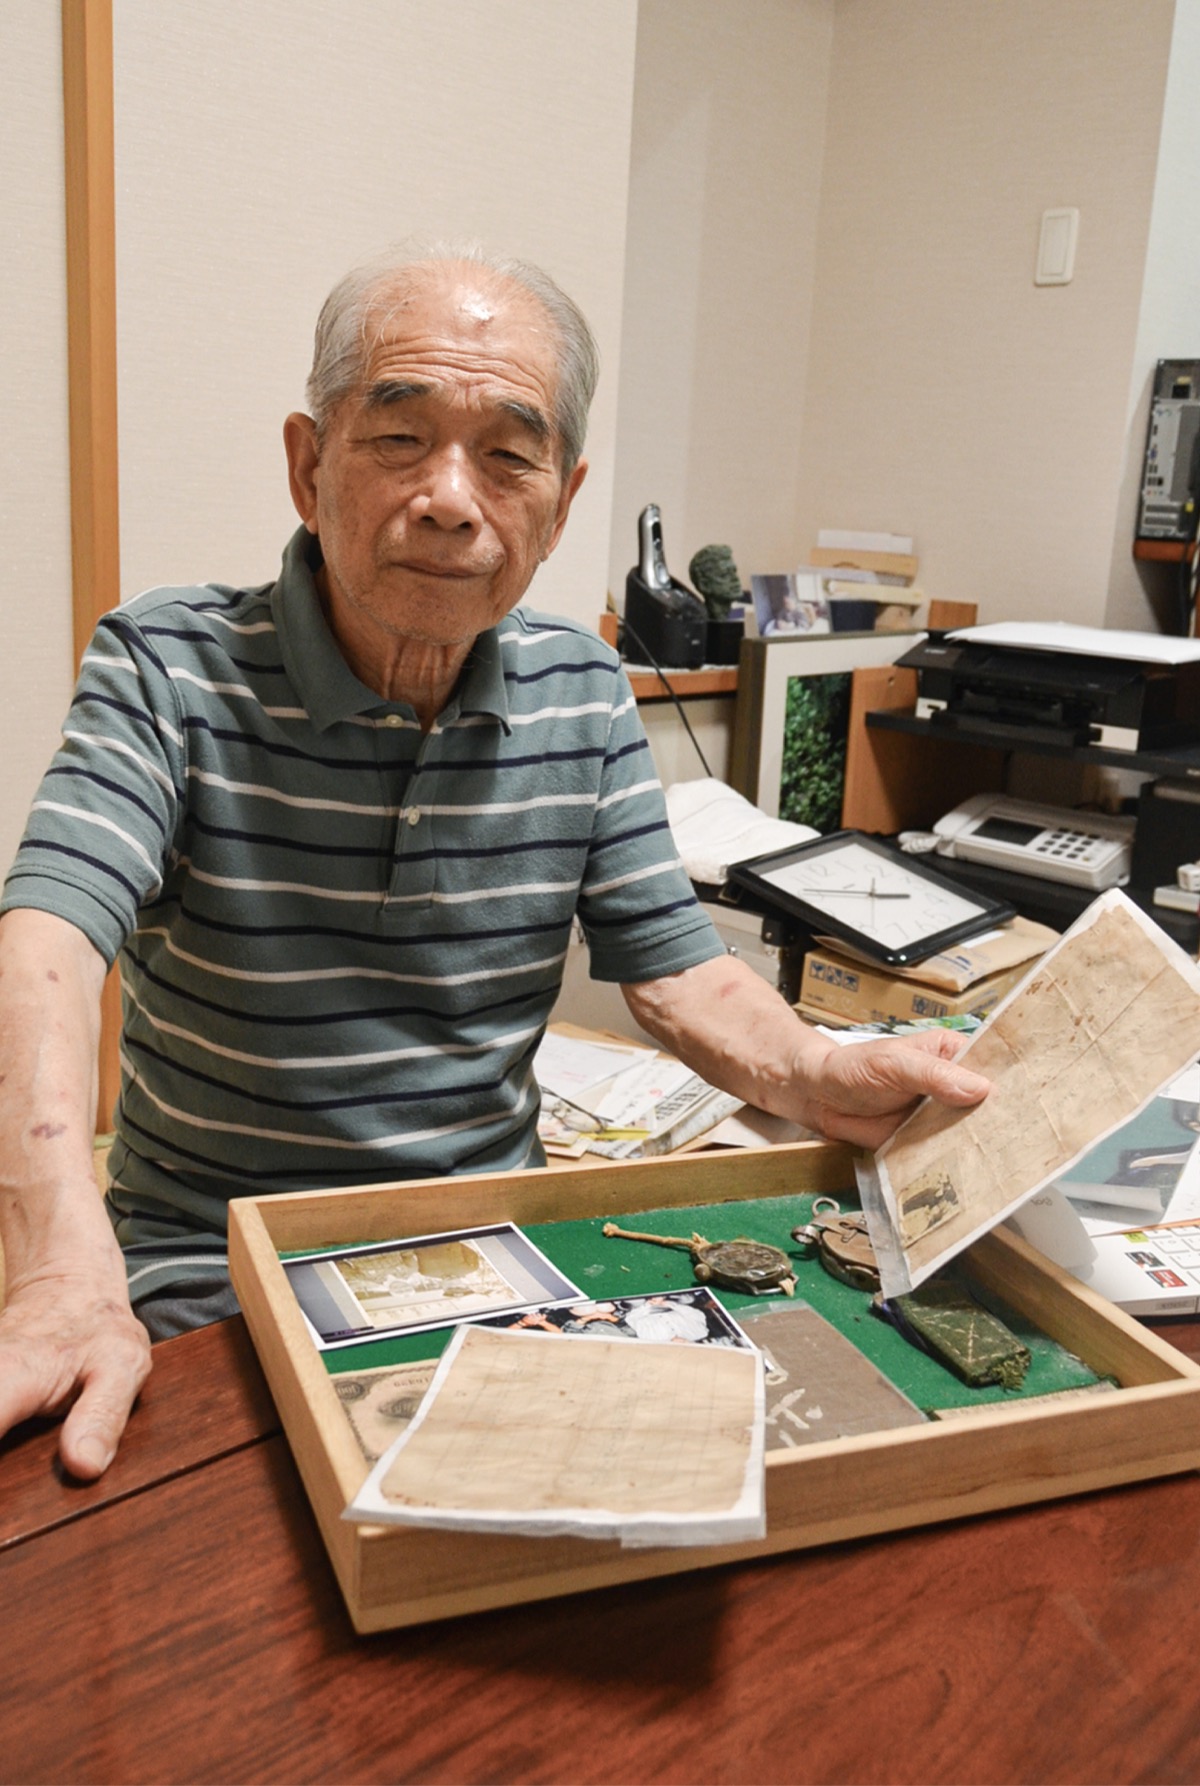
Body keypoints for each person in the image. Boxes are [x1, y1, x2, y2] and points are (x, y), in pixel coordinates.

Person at [0, 242, 989, 1480]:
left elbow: (677, 973)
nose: (451, 498)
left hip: (493, 1261)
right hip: (211, 1265)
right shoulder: (166, 665)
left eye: (508, 456)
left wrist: (825, 1072)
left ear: (561, 506)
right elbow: (45, 943)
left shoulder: (583, 685)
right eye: (399, 438)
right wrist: (56, 1261)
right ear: (309, 466)